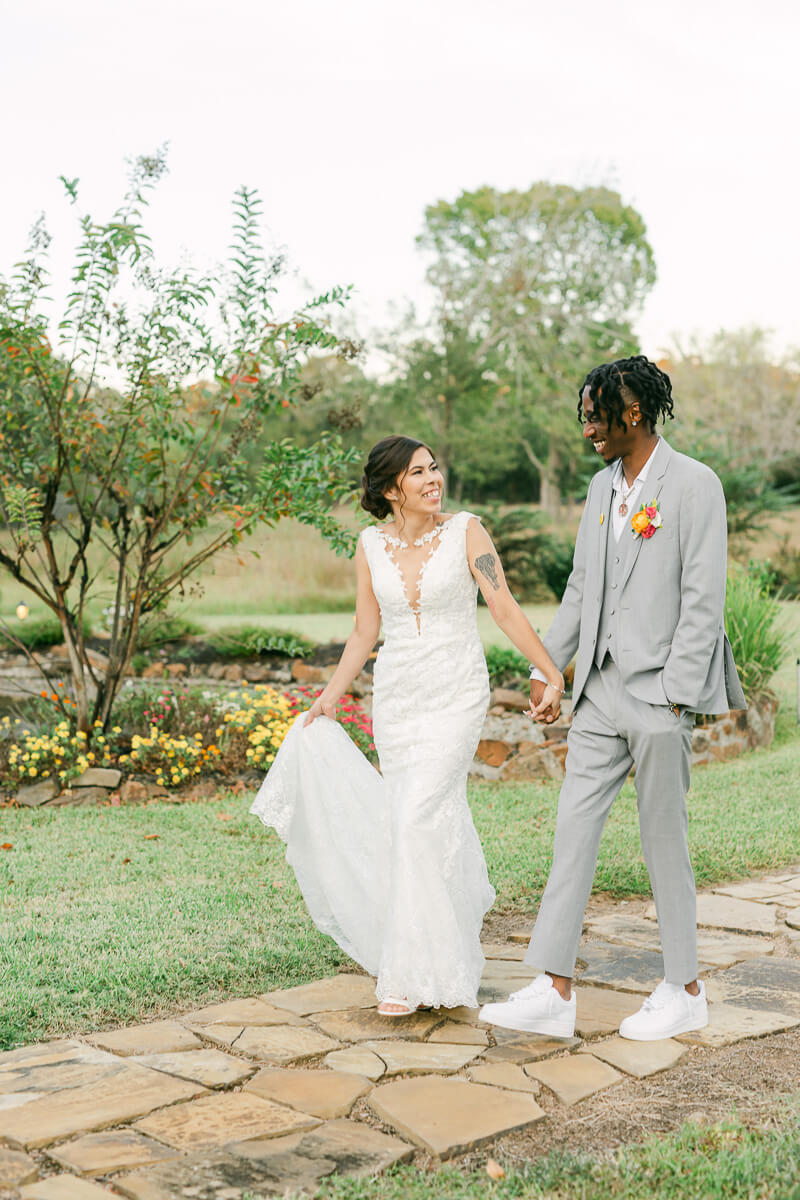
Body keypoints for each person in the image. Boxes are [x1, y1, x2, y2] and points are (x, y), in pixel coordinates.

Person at [251, 435, 565, 1017]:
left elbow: (503, 607)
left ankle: (406, 975)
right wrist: (328, 699)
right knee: (413, 823)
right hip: (397, 702)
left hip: (455, 694)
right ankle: (437, 951)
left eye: (435, 467)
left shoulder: (468, 530)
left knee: (418, 817)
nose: (433, 479)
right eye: (418, 473)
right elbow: (364, 631)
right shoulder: (369, 545)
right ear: (392, 488)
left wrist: (548, 668)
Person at [480, 356, 745, 1041]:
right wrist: (550, 668)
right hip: (598, 696)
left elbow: (702, 600)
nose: (588, 428)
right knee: (573, 830)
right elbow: (579, 588)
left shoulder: (695, 485)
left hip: (659, 695)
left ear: (634, 412)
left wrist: (675, 697)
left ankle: (685, 988)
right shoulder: (602, 490)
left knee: (664, 843)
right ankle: (553, 987)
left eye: (596, 415)